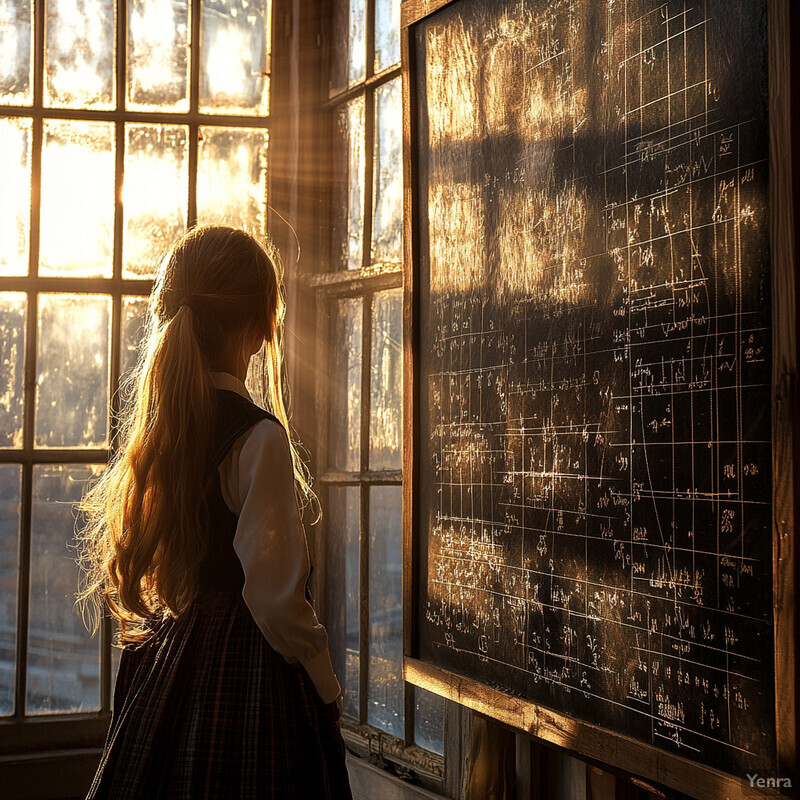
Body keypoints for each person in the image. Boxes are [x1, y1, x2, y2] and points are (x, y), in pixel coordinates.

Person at [76, 225, 353, 799]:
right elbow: (275, 601)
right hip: (250, 682)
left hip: (169, 661)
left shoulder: (166, 428)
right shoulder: (258, 438)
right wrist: (326, 687)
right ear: (259, 330)